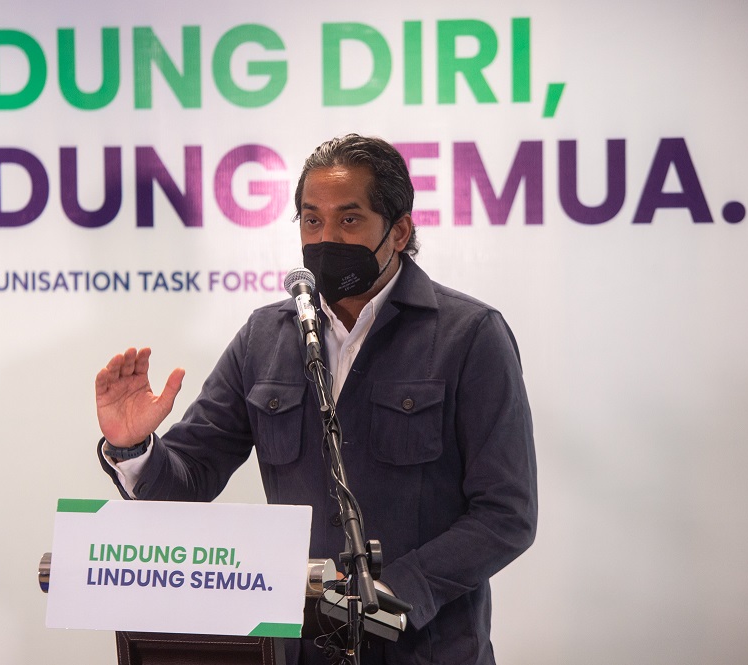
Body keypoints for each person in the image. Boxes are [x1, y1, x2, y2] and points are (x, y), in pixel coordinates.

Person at [95, 134, 537, 665]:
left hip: (427, 650)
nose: (325, 237)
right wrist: (135, 446)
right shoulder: (264, 337)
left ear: (398, 230)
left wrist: (394, 595)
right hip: (297, 652)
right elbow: (191, 477)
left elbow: (506, 513)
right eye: (311, 220)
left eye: (349, 220)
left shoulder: (470, 335)